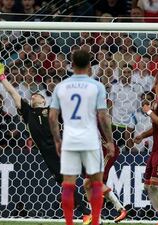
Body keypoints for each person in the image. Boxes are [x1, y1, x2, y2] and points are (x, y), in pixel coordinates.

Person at [0, 61, 91, 218]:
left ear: (44, 101)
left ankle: (97, 204)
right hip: (47, 153)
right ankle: (87, 213)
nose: (34, 96)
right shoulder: (27, 112)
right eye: (32, 96)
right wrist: (1, 76)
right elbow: (12, 92)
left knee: (83, 175)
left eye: (38, 95)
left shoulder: (51, 110)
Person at [49, 49, 115, 225]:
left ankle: (69, 222)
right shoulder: (96, 86)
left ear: (72, 64)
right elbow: (103, 116)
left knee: (68, 184)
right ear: (89, 66)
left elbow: (52, 116)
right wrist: (109, 140)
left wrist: (57, 140)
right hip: (90, 139)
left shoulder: (61, 86)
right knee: (95, 182)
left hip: (70, 139)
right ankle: (95, 222)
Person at [134, 70, 158, 225]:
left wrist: (148, 111)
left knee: (155, 183)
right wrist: (143, 135)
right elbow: (157, 126)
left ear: (156, 81)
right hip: (155, 148)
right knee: (147, 185)